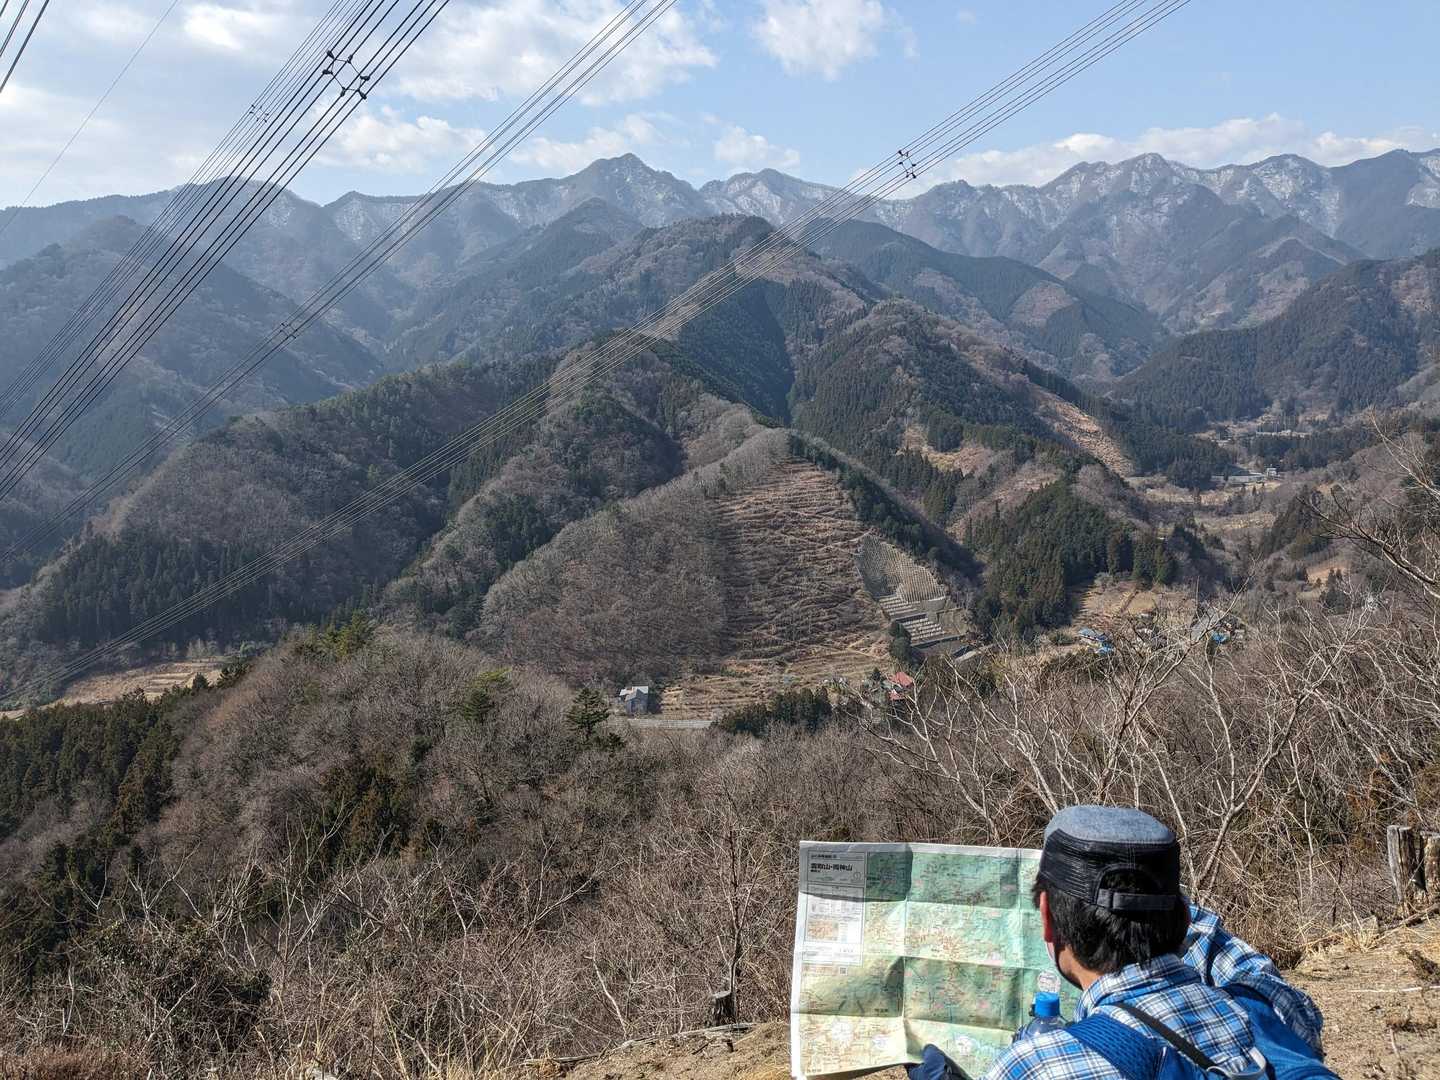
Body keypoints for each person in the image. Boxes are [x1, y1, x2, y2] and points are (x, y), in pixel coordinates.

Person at [907, 806, 1328, 1080]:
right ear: (1182, 916)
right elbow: (1241, 962)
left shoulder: (1037, 1066)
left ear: (1047, 919)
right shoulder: (1275, 1009)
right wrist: (1153, 890)